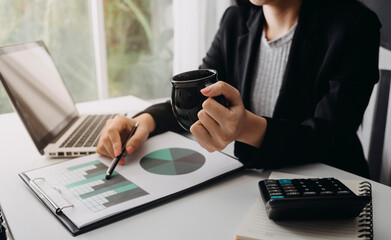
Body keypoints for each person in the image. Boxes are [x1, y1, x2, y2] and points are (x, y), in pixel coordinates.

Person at [97, 0, 381, 178]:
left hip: (328, 187)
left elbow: (330, 136)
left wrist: (246, 128)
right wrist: (142, 122)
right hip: (251, 182)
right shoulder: (236, 21)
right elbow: (200, 103)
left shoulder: (355, 26)